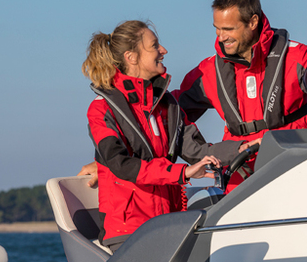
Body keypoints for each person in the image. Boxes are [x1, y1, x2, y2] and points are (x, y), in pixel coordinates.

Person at [174, 0, 307, 189]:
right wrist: (205, 152)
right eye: (217, 28)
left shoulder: (298, 56)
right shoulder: (207, 71)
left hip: (296, 166)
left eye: (228, 29)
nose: (221, 37)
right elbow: (169, 115)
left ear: (253, 22)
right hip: (239, 177)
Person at [83, 21, 251, 247]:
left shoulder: (167, 104)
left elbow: (198, 151)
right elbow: (121, 164)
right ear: (131, 57)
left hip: (169, 225)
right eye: (154, 46)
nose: (163, 50)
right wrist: (183, 173)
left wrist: (243, 147)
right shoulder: (102, 109)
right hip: (128, 232)